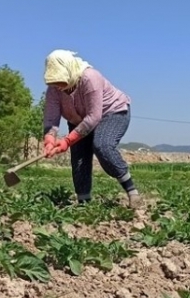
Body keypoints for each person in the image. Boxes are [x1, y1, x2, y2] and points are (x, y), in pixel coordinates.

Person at [42, 49, 141, 208]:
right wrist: (49, 139)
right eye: (55, 82)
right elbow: (51, 118)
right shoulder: (53, 90)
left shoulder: (90, 78)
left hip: (112, 113)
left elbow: (94, 116)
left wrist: (67, 140)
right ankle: (84, 203)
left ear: (69, 71)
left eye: (61, 81)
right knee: (79, 158)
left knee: (102, 145)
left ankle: (132, 192)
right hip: (79, 119)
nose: (59, 87)